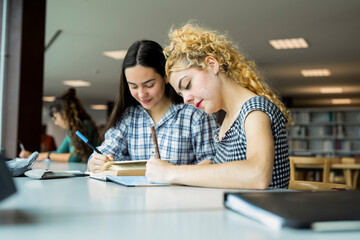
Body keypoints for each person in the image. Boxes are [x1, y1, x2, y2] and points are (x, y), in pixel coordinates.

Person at [145, 23, 294, 189]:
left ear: (212, 65)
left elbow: (257, 174)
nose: (186, 99)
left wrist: (170, 172)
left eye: (187, 85)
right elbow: (219, 169)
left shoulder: (254, 110)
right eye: (181, 95)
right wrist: (172, 175)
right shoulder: (228, 119)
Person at [88, 40, 218, 173]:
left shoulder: (195, 114)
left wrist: (173, 173)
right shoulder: (129, 117)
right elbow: (107, 151)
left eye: (149, 85)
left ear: (165, 76)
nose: (141, 94)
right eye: (133, 86)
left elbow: (212, 163)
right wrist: (97, 161)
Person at [19, 88, 99, 163]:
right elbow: (60, 152)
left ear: (64, 113)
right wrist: (34, 155)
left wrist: (46, 155)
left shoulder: (85, 125)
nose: (56, 123)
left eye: (55, 118)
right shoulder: (71, 131)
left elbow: (75, 157)